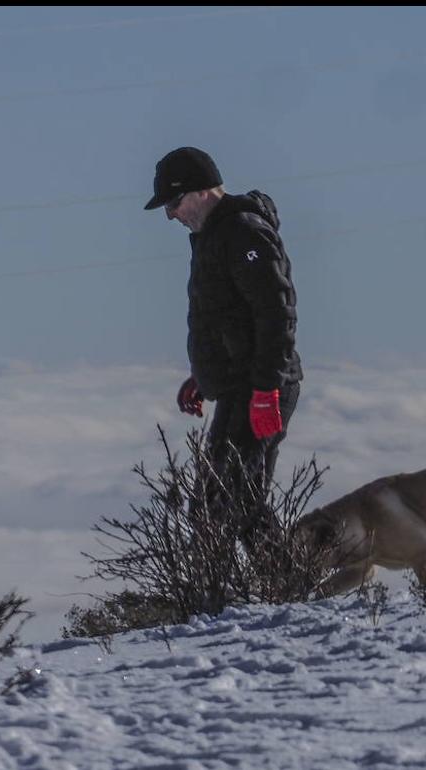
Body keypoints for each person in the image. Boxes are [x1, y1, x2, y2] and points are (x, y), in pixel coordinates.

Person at [144, 146, 302, 531]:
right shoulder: (214, 236)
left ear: (202, 192)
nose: (170, 214)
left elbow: (275, 313)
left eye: (174, 201)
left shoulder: (242, 232)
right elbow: (228, 317)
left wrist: (266, 391)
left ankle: (281, 586)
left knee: (220, 507)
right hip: (240, 386)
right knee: (233, 505)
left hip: (259, 387)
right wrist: (205, 372)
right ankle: (284, 586)